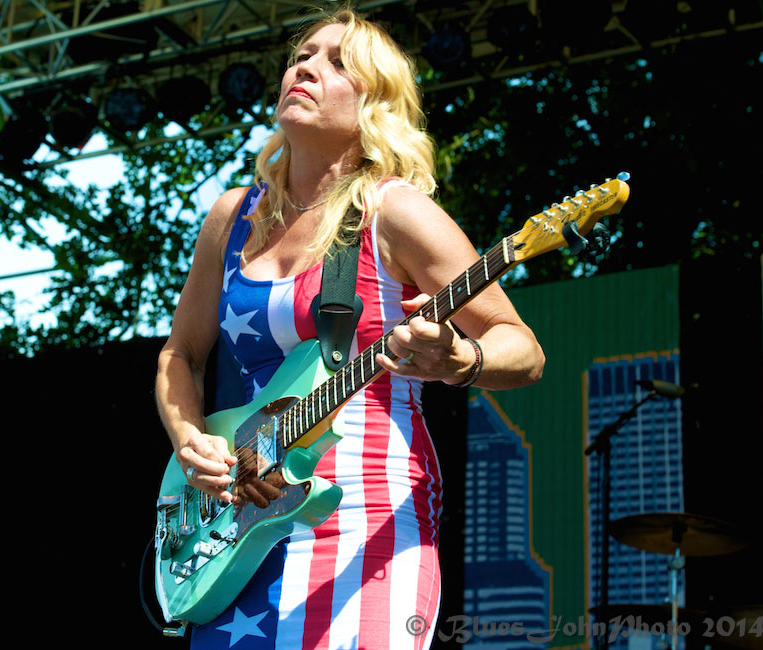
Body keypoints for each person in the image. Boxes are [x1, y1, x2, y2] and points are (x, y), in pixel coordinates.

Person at [154, 8, 545, 649]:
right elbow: (181, 353)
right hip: (231, 527)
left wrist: (459, 359)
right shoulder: (231, 217)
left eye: (337, 62)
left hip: (360, 521)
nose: (305, 66)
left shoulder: (395, 212)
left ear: (374, 104)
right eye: (301, 55)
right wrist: (189, 440)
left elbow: (522, 348)